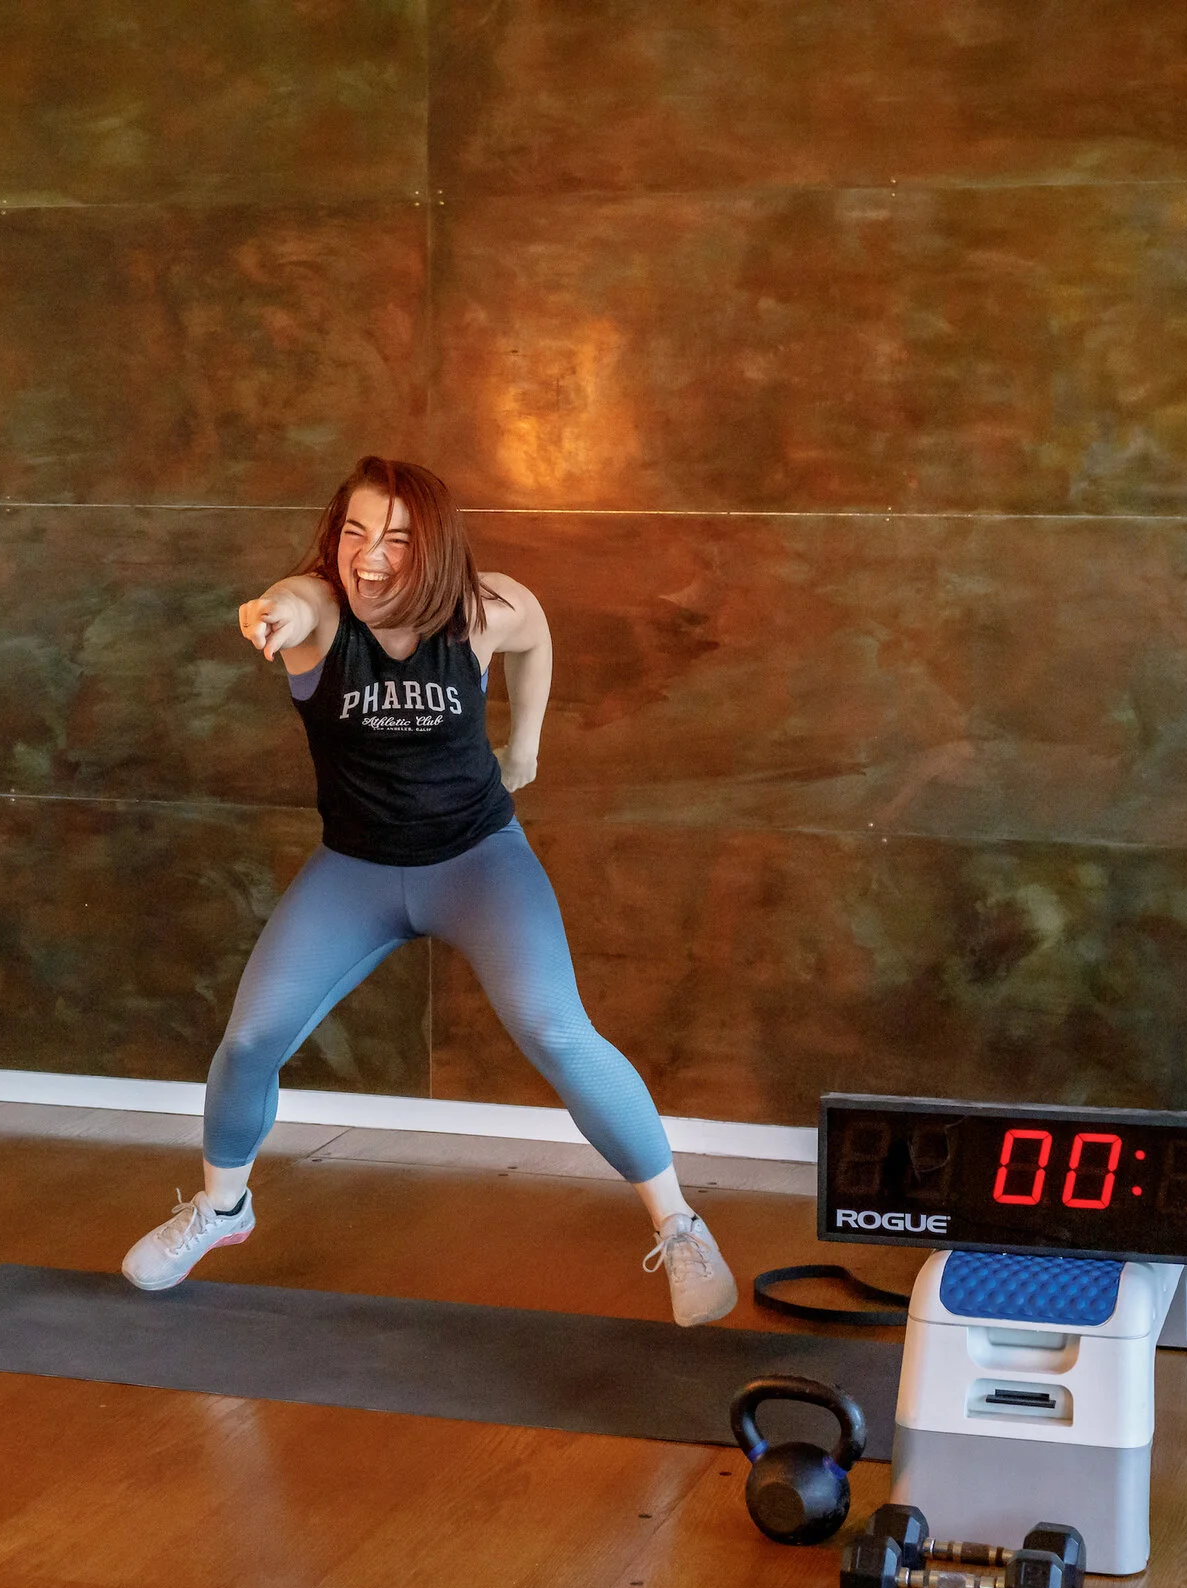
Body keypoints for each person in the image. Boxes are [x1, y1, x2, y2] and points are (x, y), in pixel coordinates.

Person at [121, 456, 738, 1326]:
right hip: (356, 871)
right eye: (355, 533)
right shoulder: (320, 613)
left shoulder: (481, 611)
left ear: (436, 546)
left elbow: (537, 632)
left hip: (478, 862)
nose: (369, 558)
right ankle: (224, 1208)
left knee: (557, 1029)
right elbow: (293, 599)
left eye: (397, 539)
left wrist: (525, 744)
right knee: (250, 1038)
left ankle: (679, 1225)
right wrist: (270, 612)